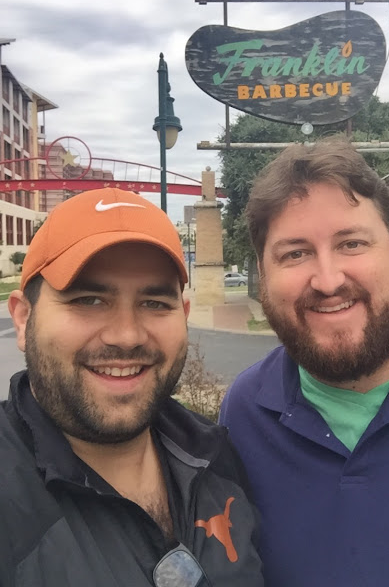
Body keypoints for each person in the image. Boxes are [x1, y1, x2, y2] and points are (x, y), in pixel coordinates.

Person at [219, 138, 389, 587]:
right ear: (263, 273)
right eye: (295, 253)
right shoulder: (245, 413)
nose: (327, 280)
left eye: (352, 243)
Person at [1, 187, 263, 587]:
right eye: (88, 300)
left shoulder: (216, 456)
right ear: (23, 319)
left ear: (184, 316)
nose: (127, 336)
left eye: (155, 303)